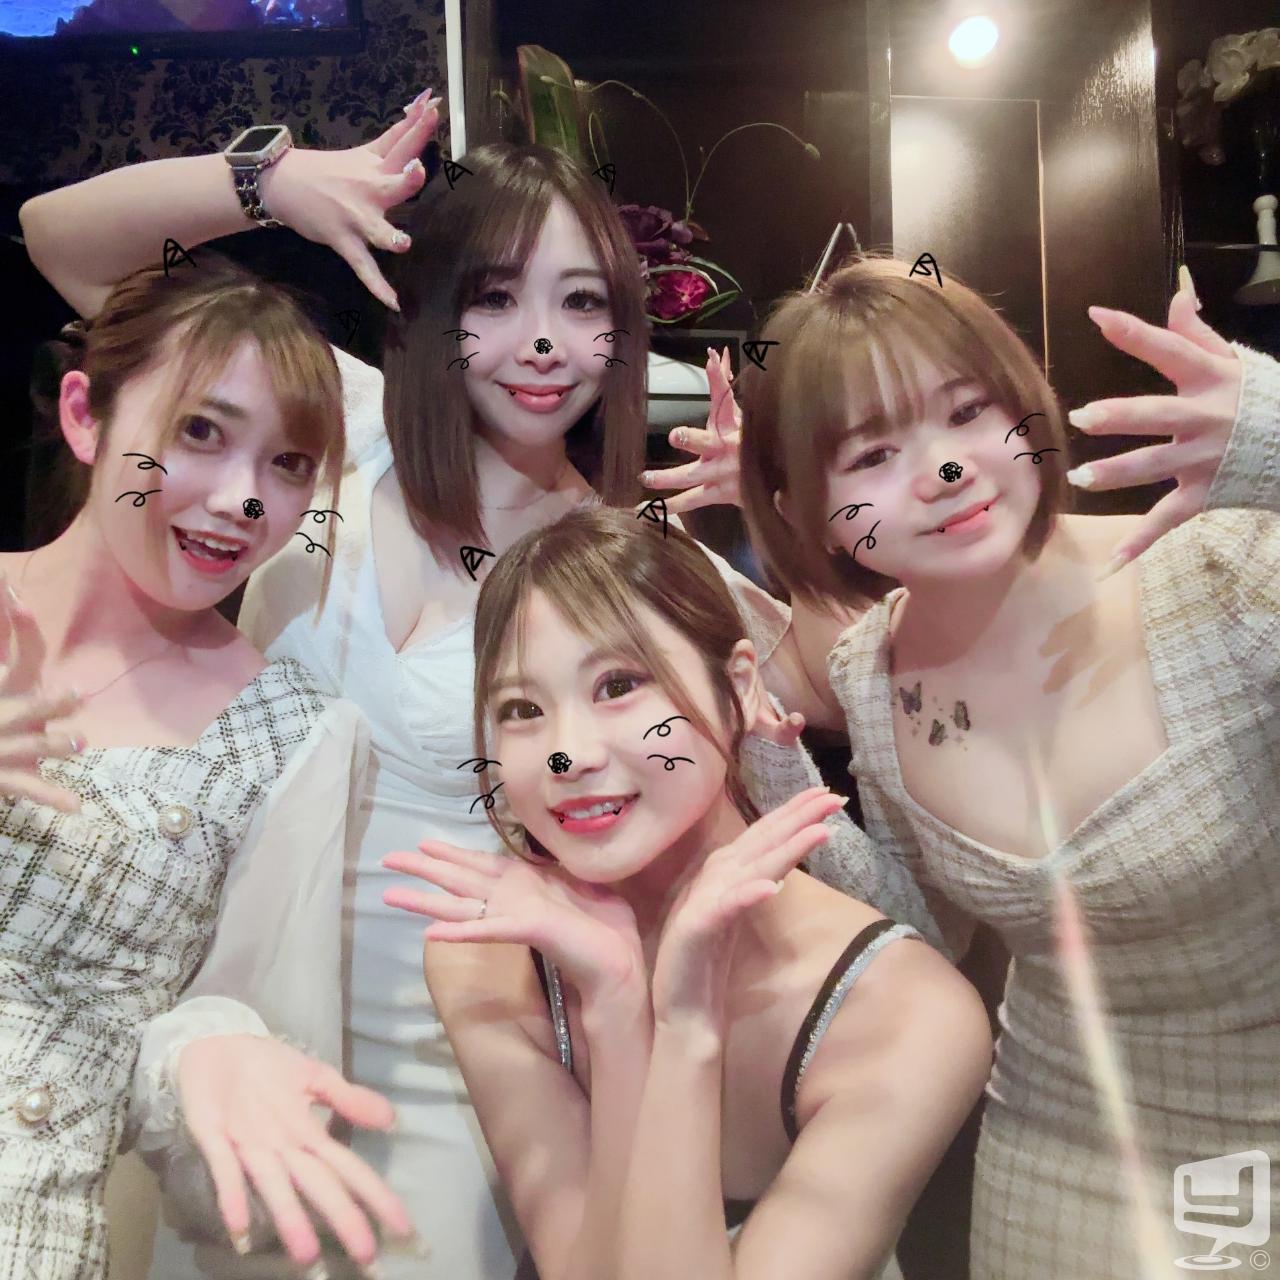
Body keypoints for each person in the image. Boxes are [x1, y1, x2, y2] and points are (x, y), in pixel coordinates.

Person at [20, 91, 938, 1278]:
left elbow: (829, 677)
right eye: (497, 297)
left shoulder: (615, 560)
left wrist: (777, 507)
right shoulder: (331, 427)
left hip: (463, 1065)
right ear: (436, 306)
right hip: (229, 1042)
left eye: (582, 303)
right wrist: (273, 185)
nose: (541, 342)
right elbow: (61, 241)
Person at [729, 254, 1279, 1278]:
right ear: (801, 511)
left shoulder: (1223, 571)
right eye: (871, 454)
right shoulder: (869, 673)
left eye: (968, 411)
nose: (944, 470)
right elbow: (922, 927)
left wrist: (1274, 443)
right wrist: (775, 769)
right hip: (1048, 1137)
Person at [381, 504, 994, 1280]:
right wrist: (615, 1009)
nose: (568, 754)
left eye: (618, 684)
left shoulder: (906, 1013)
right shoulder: (488, 963)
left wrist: (688, 1026)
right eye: (522, 710)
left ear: (738, 688)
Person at [0, 257, 416, 1279]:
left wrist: (207, 1052)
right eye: (199, 432)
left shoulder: (295, 737)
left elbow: (230, 1160)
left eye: (289, 464)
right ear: (84, 417)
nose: (243, 499)